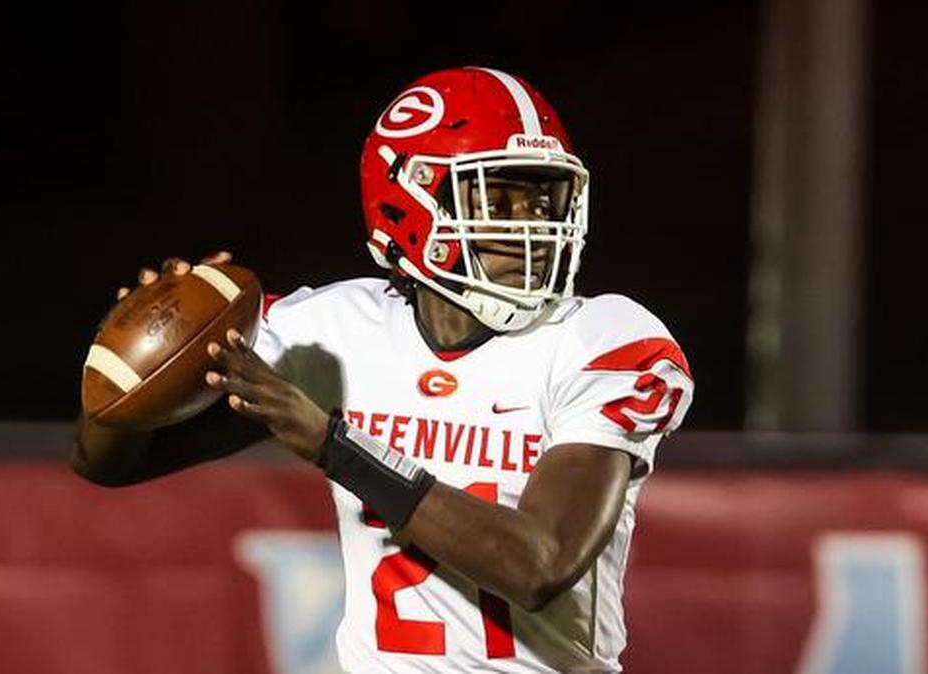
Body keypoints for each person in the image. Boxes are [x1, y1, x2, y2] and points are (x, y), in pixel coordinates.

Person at [73, 66, 694, 674]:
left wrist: (333, 445)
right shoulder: (340, 330)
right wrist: (124, 359)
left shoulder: (599, 339)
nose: (531, 223)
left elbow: (538, 564)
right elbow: (108, 462)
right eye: (500, 197)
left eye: (542, 198)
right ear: (410, 203)